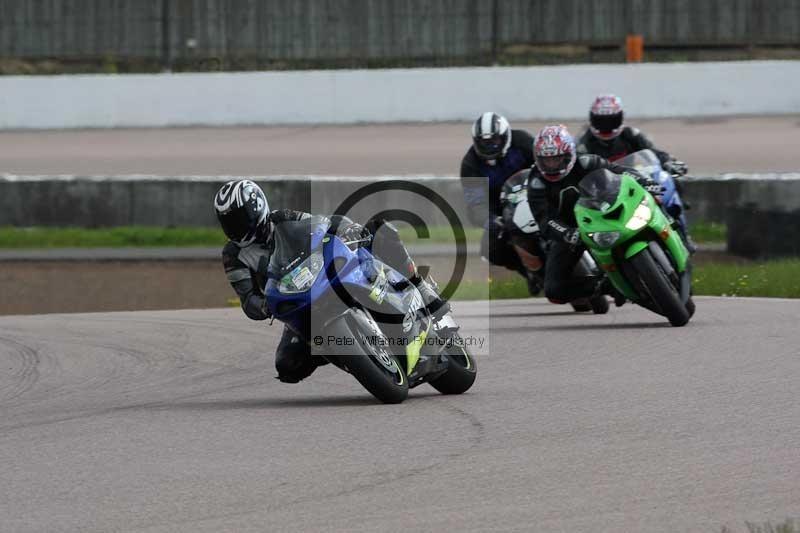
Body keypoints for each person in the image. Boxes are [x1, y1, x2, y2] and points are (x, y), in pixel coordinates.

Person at [214, 179, 446, 384]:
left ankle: (420, 287)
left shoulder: (283, 219)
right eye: (229, 223)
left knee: (380, 229)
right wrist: (263, 306)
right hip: (296, 302)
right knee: (287, 365)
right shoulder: (233, 256)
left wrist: (348, 229)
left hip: (322, 277)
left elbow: (323, 224)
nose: (236, 228)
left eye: (240, 219)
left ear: (257, 208)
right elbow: (247, 298)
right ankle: (352, 358)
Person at [522, 124, 663, 305]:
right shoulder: (536, 183)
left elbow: (619, 172)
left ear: (569, 154)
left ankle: (666, 236)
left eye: (557, 159)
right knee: (554, 291)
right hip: (571, 230)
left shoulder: (586, 162)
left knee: (650, 206)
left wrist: (644, 181)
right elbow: (544, 220)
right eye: (546, 161)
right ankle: (606, 286)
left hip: (601, 213)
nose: (552, 165)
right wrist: (566, 233)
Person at [459, 112, 538, 291]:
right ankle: (528, 272)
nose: (489, 146)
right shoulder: (470, 164)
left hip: (536, 197)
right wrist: (491, 220)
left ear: (505, 137)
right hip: (502, 208)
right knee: (490, 248)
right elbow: (475, 204)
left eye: (494, 141)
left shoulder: (523, 142)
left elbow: (545, 165)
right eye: (484, 142)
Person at [576, 94, 687, 175]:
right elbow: (577, 165)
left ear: (621, 118)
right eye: (601, 121)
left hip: (634, 180)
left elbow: (653, 151)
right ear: (592, 119)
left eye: (611, 120)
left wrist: (667, 161)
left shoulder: (630, 134)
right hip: (601, 189)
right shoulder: (584, 142)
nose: (606, 126)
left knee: (671, 181)